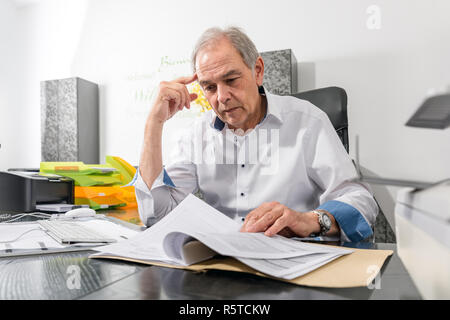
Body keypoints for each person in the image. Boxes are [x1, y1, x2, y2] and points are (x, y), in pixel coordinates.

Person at [133, 26, 378, 242]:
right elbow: (158, 214)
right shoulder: (197, 134)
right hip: (222, 267)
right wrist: (154, 123)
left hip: (292, 262)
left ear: (257, 71)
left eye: (231, 79)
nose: (222, 97)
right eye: (210, 87)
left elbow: (360, 201)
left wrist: (307, 221)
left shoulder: (307, 121)